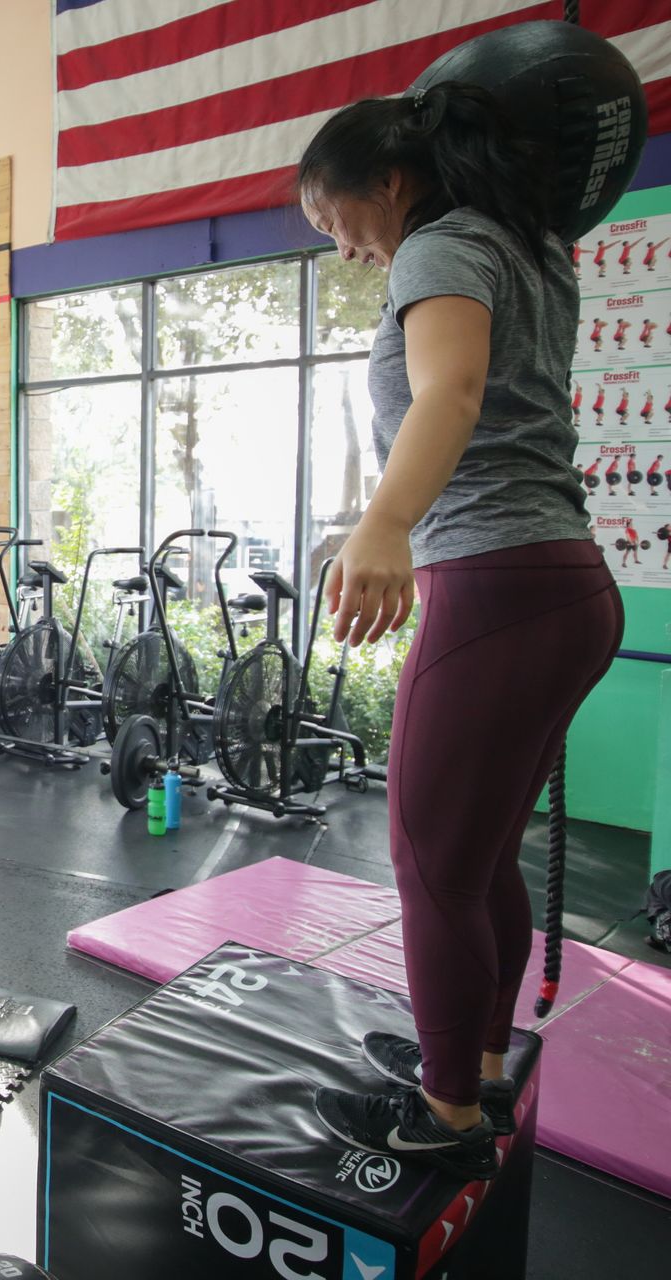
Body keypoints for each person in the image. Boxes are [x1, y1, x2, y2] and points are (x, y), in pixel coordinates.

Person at [297, 83, 623, 1181]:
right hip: (565, 584)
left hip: (498, 582)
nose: (342, 245)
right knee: (478, 858)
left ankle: (443, 1115)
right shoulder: (529, 246)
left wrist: (385, 522)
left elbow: (454, 388)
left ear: (390, 183)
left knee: (429, 864)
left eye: (335, 217)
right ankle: (477, 1063)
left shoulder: (438, 247)